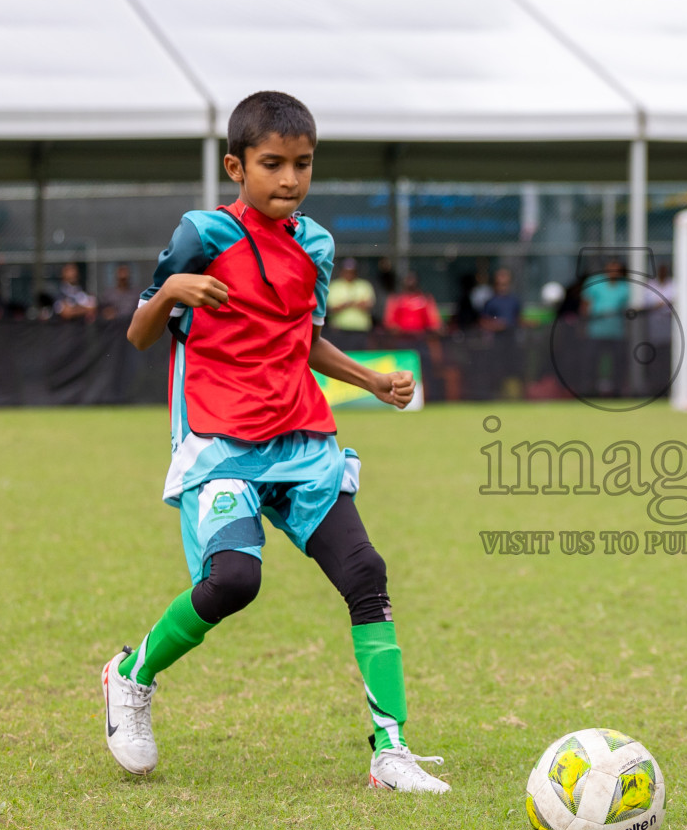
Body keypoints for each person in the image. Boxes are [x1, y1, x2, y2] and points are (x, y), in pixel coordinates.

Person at [101, 91, 448, 793]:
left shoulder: (316, 245)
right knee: (233, 582)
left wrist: (368, 379)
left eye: (303, 164)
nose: (290, 180)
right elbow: (139, 333)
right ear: (236, 165)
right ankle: (132, 675)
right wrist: (172, 291)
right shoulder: (202, 233)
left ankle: (391, 752)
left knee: (366, 575)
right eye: (273, 164)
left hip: (303, 441)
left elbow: (304, 338)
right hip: (223, 443)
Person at [581, 260, 631, 396]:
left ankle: (617, 391)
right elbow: (585, 305)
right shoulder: (594, 283)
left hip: (616, 332)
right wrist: (584, 325)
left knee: (617, 362)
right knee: (592, 361)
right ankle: (589, 390)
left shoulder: (625, 287)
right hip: (596, 331)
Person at [327, 258, 377, 333]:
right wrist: (351, 303)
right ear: (342, 271)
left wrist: (348, 304)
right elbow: (332, 308)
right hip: (339, 328)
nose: (349, 274)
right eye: (347, 271)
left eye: (352, 272)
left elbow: (369, 305)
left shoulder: (364, 285)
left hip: (361, 328)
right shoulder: (334, 286)